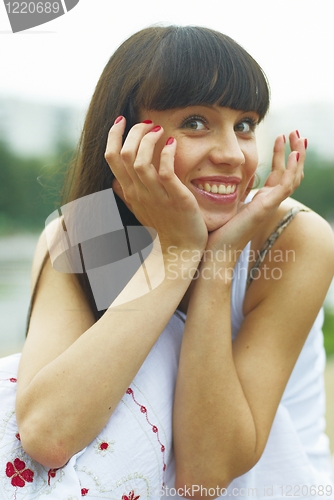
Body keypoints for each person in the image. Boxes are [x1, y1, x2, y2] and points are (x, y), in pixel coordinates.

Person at [0, 25, 333, 500]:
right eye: (196, 122)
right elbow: (47, 434)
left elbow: (205, 475)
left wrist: (218, 260)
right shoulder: (82, 233)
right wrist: (175, 257)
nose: (232, 154)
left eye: (244, 124)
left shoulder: (292, 239)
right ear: (126, 138)